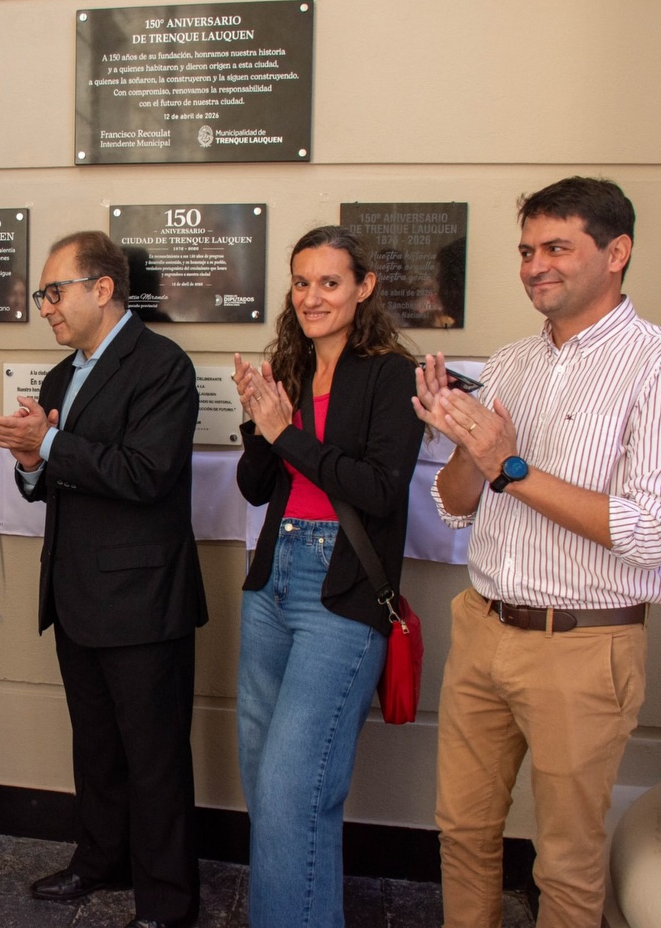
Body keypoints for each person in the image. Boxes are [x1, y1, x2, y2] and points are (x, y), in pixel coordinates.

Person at [414, 177, 661, 928]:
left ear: (617, 253)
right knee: (462, 832)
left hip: (583, 646)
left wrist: (510, 466)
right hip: (483, 626)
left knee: (566, 859)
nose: (534, 266)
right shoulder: (511, 362)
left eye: (556, 247)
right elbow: (454, 505)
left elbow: (653, 532)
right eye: (526, 250)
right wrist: (467, 445)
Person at [0, 231, 206, 928]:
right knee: (96, 746)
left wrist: (47, 443)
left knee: (154, 758)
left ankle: (167, 902)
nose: (45, 305)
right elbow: (55, 484)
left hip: (143, 602)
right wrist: (30, 463)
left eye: (55, 290)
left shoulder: (163, 366)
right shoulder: (59, 377)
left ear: (102, 289)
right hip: (75, 595)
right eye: (42, 294)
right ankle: (101, 858)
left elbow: (146, 474)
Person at [232, 225, 424, 928]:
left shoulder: (391, 375)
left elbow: (379, 489)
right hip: (272, 580)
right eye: (301, 282)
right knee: (264, 782)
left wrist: (286, 433)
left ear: (364, 287)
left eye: (330, 282)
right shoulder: (290, 365)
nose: (312, 297)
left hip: (339, 589)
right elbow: (257, 487)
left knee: (294, 789)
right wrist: (258, 421)